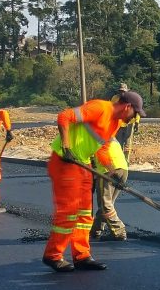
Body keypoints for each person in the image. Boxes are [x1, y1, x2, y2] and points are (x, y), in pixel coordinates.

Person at [43, 88, 144, 273]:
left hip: (82, 165)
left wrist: (113, 172)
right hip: (65, 162)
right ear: (127, 106)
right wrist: (66, 146)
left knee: (84, 214)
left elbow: (102, 148)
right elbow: (64, 116)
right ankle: (53, 255)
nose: (135, 117)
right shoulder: (100, 108)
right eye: (135, 113)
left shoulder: (114, 123)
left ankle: (81, 256)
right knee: (69, 211)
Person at [92, 85, 139, 241]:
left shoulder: (95, 138)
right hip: (123, 168)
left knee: (105, 204)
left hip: (108, 169)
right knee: (108, 204)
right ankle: (96, 230)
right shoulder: (109, 133)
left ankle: (119, 230)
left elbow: (96, 157)